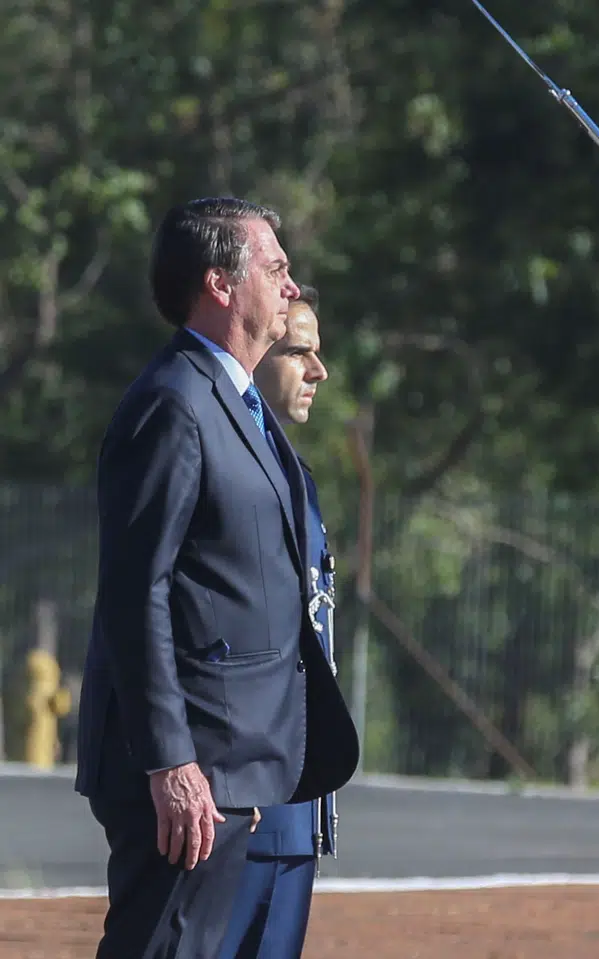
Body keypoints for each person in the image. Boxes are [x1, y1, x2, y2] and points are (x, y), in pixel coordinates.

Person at [75, 198, 359, 959]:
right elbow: (136, 594)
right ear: (221, 284)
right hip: (187, 774)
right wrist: (172, 760)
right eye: (276, 268)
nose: (291, 286)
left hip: (231, 768)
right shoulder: (173, 403)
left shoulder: (234, 401)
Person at [221, 284, 339, 959]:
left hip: (294, 806)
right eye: (298, 352)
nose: (318, 370)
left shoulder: (298, 475)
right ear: (255, 349)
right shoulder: (220, 463)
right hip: (237, 800)